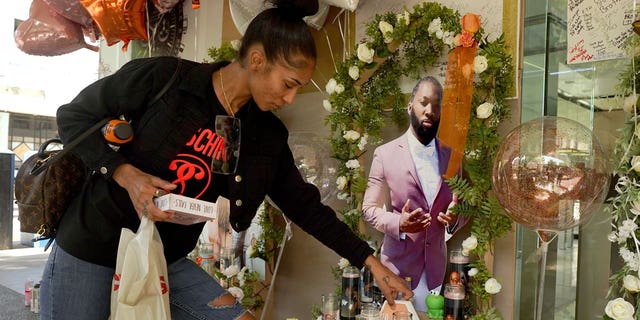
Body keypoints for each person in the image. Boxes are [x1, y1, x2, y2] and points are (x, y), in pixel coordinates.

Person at [38, 1, 413, 319]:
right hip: (93, 245)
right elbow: (74, 117)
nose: (290, 99)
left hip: (163, 258)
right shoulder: (168, 80)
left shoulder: (264, 135)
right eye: (288, 84)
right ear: (256, 59)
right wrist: (125, 174)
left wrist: (372, 263)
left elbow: (305, 206)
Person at [362, 76, 468, 312]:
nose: (430, 111)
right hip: (396, 271)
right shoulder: (385, 154)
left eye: (437, 105)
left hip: (435, 273)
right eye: (424, 102)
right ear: (410, 106)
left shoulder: (454, 158)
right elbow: (368, 210)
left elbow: (466, 206)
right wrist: (398, 223)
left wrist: (454, 219)